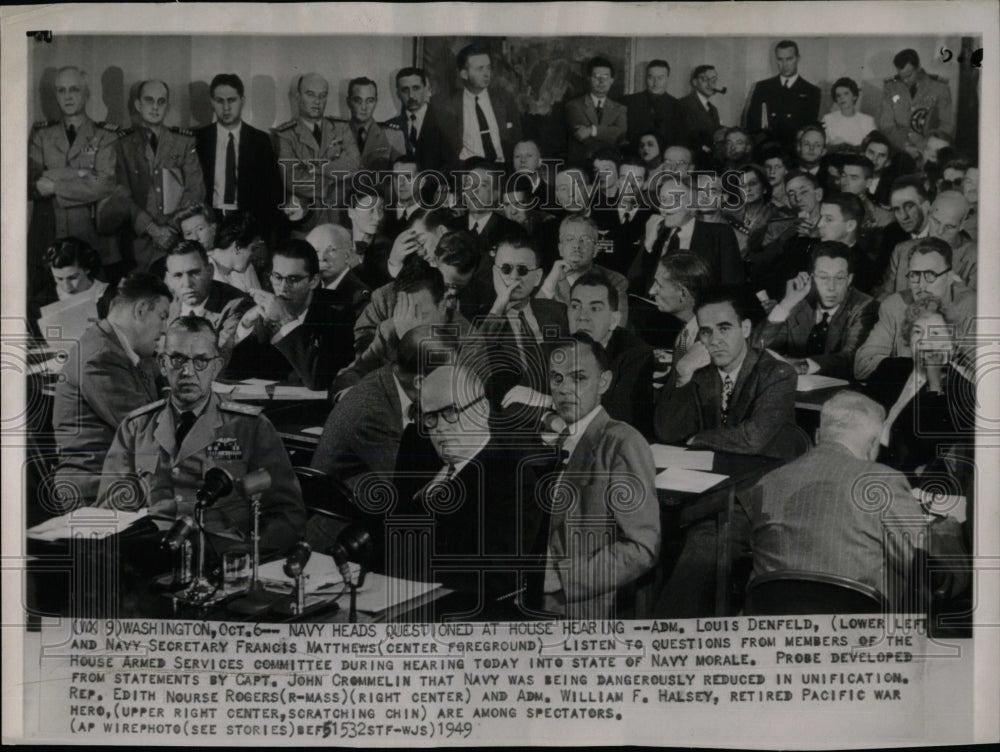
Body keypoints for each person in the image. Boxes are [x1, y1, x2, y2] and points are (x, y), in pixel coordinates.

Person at [97, 316, 305, 556]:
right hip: (151, 551)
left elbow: (287, 514)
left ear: (216, 367)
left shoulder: (250, 427)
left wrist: (252, 556)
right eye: (178, 359)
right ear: (162, 365)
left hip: (221, 554)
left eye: (201, 361)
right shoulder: (136, 427)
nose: (188, 371)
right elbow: (110, 511)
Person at [748, 390, 964, 611]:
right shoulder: (883, 480)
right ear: (872, 445)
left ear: (817, 435)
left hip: (775, 621)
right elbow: (921, 567)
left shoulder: (766, 482)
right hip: (859, 628)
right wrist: (947, 536)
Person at [542, 334, 660, 619]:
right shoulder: (557, 441)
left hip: (580, 600)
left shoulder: (622, 442)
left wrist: (563, 577)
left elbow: (642, 547)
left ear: (603, 383)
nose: (565, 389)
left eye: (578, 378)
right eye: (556, 379)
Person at [51, 272, 171, 502]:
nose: (165, 329)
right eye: (163, 317)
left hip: (124, 477)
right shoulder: (101, 357)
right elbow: (148, 432)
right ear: (141, 310)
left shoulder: (123, 347)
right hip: (97, 491)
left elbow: (160, 377)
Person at [654, 286, 798, 458]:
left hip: (765, 472)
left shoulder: (777, 374)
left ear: (745, 328)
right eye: (706, 332)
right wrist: (682, 375)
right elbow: (667, 434)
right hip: (712, 472)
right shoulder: (698, 369)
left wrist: (697, 439)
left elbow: (753, 439)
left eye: (724, 329)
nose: (715, 341)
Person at [311, 325, 459, 487]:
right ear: (420, 382)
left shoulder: (395, 380)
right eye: (449, 378)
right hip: (347, 506)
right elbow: (410, 481)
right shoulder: (372, 412)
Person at [862, 298, 976, 485]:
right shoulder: (890, 369)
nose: (924, 340)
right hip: (860, 470)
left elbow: (925, 461)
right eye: (917, 332)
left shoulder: (959, 392)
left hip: (906, 486)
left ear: (951, 342)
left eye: (935, 333)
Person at [29, 66, 121, 288]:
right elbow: (32, 183)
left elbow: (103, 184)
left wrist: (55, 186)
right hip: (48, 240)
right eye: (61, 90)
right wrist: (80, 174)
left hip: (90, 240)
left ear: (86, 92)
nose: (68, 96)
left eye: (74, 89)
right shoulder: (42, 135)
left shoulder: (105, 136)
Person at [464, 233, 569, 422]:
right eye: (505, 269)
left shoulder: (557, 313)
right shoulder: (478, 319)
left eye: (521, 270)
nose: (513, 277)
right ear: (495, 273)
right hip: (508, 421)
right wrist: (500, 305)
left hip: (560, 412)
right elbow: (468, 368)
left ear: (537, 277)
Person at [225, 239, 355, 389]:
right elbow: (232, 373)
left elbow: (318, 380)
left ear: (314, 281)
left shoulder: (339, 312)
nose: (282, 288)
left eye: (293, 279)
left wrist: (287, 320)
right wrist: (245, 325)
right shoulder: (265, 311)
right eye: (278, 277)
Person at [855, 237, 976, 380]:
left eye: (930, 275)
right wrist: (919, 366)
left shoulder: (972, 307)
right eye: (914, 275)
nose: (921, 285)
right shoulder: (895, 305)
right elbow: (862, 366)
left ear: (949, 277)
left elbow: (984, 373)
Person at [752, 241, 878, 379]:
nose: (831, 287)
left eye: (839, 278)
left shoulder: (864, 306)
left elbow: (851, 359)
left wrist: (803, 365)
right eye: (823, 277)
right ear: (811, 278)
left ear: (849, 280)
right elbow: (755, 349)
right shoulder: (799, 300)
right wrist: (786, 304)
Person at [115, 79, 204, 271]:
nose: (155, 107)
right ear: (138, 105)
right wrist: (153, 229)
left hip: (176, 240)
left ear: (168, 106)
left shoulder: (184, 142)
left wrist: (170, 229)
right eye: (149, 100)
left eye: (161, 101)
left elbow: (195, 190)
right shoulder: (123, 145)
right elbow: (121, 195)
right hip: (138, 245)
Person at [193, 73, 282, 240]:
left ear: (242, 100)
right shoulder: (198, 139)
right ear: (212, 102)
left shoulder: (260, 140)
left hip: (248, 223)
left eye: (232, 100)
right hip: (209, 222)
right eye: (220, 101)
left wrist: (261, 236)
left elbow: (273, 194)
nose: (226, 108)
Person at [273, 72, 361, 233]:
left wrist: (317, 168)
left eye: (322, 96)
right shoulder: (285, 134)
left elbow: (354, 164)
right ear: (298, 96)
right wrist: (335, 185)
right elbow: (293, 179)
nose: (317, 101)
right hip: (306, 223)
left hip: (341, 220)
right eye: (310, 95)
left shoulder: (341, 127)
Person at [568, 272, 654, 437]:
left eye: (595, 308)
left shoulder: (636, 354)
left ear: (614, 320)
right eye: (575, 306)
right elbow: (515, 403)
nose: (582, 317)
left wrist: (549, 403)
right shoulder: (557, 346)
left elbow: (616, 418)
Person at [628, 173, 743, 294]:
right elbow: (632, 285)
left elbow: (732, 287)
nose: (665, 207)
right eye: (663, 200)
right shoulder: (656, 233)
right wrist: (648, 244)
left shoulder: (720, 234)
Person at [435, 43, 522, 169]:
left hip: (502, 170)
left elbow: (517, 138)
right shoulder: (450, 106)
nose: (487, 74)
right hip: (468, 171)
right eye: (480, 69)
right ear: (464, 74)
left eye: (488, 68)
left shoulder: (504, 100)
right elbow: (445, 150)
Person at [877, 190, 976, 297]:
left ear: (962, 225)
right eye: (936, 222)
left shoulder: (976, 258)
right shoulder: (902, 251)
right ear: (928, 214)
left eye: (949, 227)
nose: (939, 231)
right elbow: (884, 298)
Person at [537, 215, 630, 325]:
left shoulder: (615, 281)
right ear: (560, 249)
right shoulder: (545, 282)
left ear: (595, 250)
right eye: (570, 239)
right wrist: (549, 284)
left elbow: (618, 327)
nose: (576, 245)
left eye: (585, 240)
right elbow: (534, 324)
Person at [163, 239, 251, 351]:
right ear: (169, 280)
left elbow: (218, 357)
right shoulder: (165, 305)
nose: (187, 283)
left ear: (210, 271)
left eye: (194, 273)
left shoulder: (237, 304)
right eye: (178, 275)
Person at [878, 48, 953, 158]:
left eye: (909, 75)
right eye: (901, 76)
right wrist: (905, 146)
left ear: (918, 67)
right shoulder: (890, 88)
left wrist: (924, 146)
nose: (905, 80)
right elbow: (886, 125)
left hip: (931, 153)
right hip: (900, 151)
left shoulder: (940, 87)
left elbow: (947, 124)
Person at [746, 40, 821, 149]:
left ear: (798, 58)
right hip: (766, 149)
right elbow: (752, 123)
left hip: (794, 152)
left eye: (789, 59)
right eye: (780, 59)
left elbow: (808, 129)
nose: (784, 64)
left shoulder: (812, 92)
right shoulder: (762, 87)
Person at [30, 237, 110, 337]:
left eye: (73, 278)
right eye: (59, 279)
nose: (66, 287)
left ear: (87, 269)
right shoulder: (43, 299)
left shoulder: (110, 297)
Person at [649, 251, 713, 361]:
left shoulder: (709, 343)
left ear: (683, 293)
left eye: (659, 285)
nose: (651, 291)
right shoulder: (687, 331)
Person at [565, 56, 627, 164]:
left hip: (611, 165)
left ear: (611, 81)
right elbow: (581, 135)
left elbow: (620, 133)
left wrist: (591, 130)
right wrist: (609, 134)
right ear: (588, 78)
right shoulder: (574, 106)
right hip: (581, 164)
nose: (601, 81)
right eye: (596, 76)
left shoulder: (620, 109)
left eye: (605, 77)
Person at [723, 163, 793, 258]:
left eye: (753, 183)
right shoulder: (727, 216)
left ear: (764, 188)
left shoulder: (779, 217)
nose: (747, 189)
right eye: (742, 185)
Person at [305, 223, 370, 321]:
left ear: (347, 255)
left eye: (332, 250)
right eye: (316, 251)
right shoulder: (310, 288)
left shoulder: (360, 298)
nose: (322, 257)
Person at [389, 66, 445, 171]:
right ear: (398, 94)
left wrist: (423, 185)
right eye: (405, 90)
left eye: (416, 88)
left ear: (426, 89)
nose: (411, 96)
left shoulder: (446, 121)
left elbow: (450, 165)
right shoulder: (390, 127)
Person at [345, 76, 405, 172]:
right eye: (358, 100)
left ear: (376, 102)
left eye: (370, 101)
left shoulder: (393, 136)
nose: (364, 107)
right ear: (348, 102)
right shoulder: (336, 134)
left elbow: (400, 176)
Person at [624, 59, 684, 153]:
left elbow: (679, 140)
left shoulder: (678, 106)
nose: (655, 83)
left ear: (668, 78)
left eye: (660, 78)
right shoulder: (630, 102)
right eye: (651, 77)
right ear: (645, 78)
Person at [206, 210, 263, 293]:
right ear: (237, 247)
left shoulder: (247, 269)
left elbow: (259, 304)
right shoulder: (202, 270)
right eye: (253, 249)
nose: (254, 256)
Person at [678, 65, 722, 160]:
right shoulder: (684, 105)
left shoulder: (713, 109)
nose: (710, 84)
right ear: (694, 82)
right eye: (705, 80)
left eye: (713, 80)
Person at [822, 77, 877, 147]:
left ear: (854, 96)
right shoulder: (827, 119)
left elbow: (873, 146)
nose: (842, 98)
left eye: (846, 94)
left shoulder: (868, 121)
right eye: (838, 95)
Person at [511, 139, 554, 209]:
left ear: (540, 161)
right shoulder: (503, 194)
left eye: (529, 155)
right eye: (517, 156)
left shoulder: (552, 194)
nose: (523, 160)